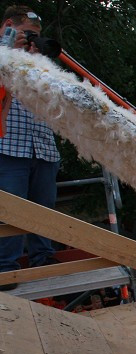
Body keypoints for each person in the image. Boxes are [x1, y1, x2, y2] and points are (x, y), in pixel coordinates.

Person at [0, 5, 60, 291]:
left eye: (36, 36)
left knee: (44, 206)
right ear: (9, 25)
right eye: (28, 34)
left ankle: (43, 258)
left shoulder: (37, 60)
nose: (32, 40)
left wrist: (39, 57)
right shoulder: (2, 51)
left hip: (42, 143)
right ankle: (5, 268)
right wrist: (10, 48)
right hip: (9, 143)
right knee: (11, 209)